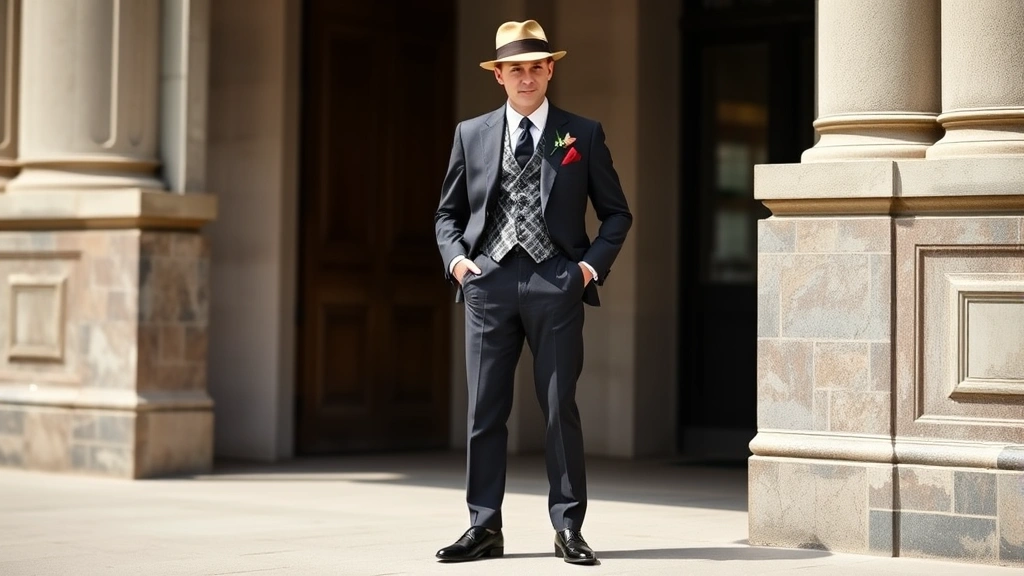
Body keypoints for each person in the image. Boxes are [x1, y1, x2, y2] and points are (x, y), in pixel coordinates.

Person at [433, 19, 632, 566]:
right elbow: (448, 214)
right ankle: (483, 528)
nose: (526, 77)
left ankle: (569, 528)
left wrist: (587, 270)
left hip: (557, 283)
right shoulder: (470, 134)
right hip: (488, 284)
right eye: (514, 68)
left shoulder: (581, 134)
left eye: (535, 67)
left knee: (557, 409)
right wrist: (458, 265)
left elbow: (617, 214)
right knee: (484, 411)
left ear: (550, 71)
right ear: (498, 76)